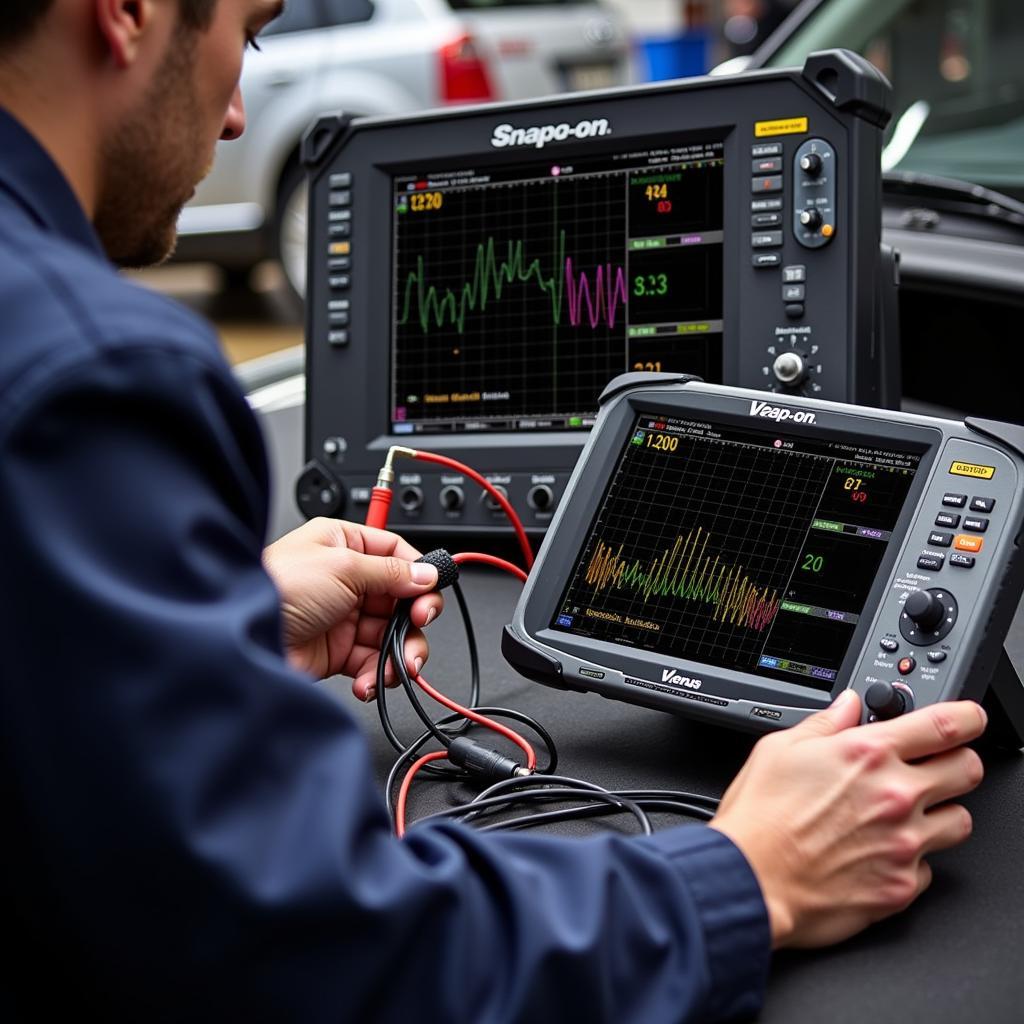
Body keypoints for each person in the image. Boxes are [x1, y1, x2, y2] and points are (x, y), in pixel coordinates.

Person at [0, 2, 987, 1020]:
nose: (242, 115)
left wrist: (206, 624)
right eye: (247, 37)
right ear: (123, 13)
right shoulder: (87, 375)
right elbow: (312, 953)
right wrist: (745, 877)